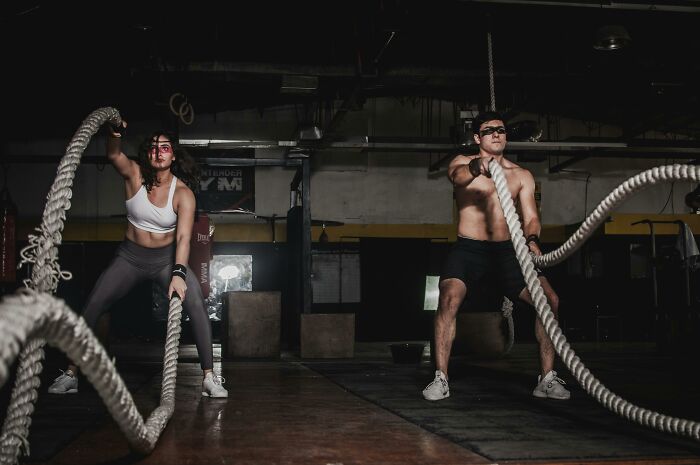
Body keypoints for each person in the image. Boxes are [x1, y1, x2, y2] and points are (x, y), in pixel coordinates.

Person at [48, 121, 228, 398]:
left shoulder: (183, 194)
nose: (159, 152)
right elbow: (113, 155)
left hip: (166, 260)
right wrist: (115, 133)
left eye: (165, 148)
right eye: (154, 148)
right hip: (130, 257)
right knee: (94, 303)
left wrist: (179, 273)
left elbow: (183, 239)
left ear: (173, 155)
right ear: (148, 154)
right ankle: (71, 373)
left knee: (196, 304)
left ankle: (209, 377)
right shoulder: (133, 175)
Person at [422, 111, 569, 402]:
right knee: (449, 297)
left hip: (508, 251)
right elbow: (459, 178)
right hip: (469, 249)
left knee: (549, 301)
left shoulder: (521, 175)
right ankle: (441, 378)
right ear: (478, 138)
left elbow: (531, 217)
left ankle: (547, 379)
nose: (496, 134)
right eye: (489, 131)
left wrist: (532, 240)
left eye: (500, 130)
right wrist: (480, 167)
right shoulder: (463, 164)